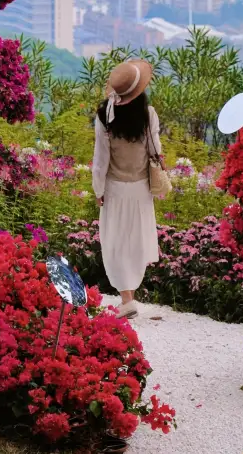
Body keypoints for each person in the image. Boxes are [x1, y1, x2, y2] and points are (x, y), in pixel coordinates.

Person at [92, 59, 164, 319]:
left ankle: (127, 298)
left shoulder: (105, 117)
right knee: (134, 241)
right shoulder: (148, 114)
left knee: (116, 242)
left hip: (114, 188)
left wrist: (98, 190)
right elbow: (155, 150)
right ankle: (129, 297)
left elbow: (101, 161)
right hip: (140, 189)